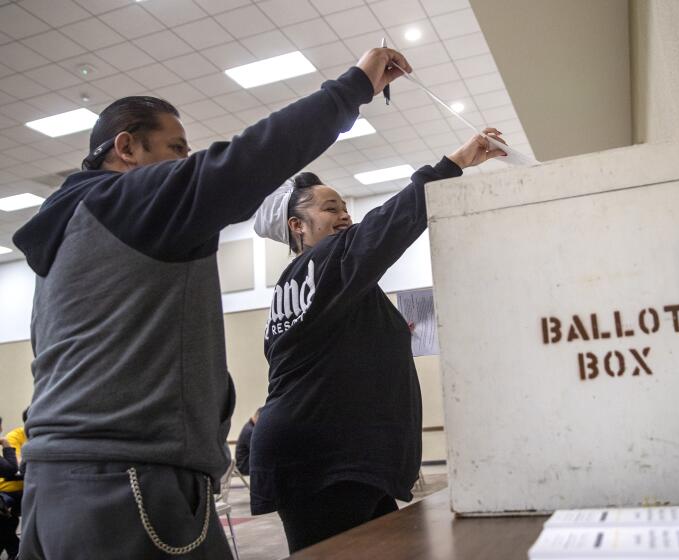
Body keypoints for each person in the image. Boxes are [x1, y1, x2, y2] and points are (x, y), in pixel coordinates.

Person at [11, 47, 413, 559]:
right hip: (129, 481)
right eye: (176, 149)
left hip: (52, 484)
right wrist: (354, 87)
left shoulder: (64, 237)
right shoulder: (128, 199)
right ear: (127, 147)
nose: (184, 163)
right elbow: (248, 159)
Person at [249, 128, 506, 552]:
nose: (346, 216)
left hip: (327, 453)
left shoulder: (298, 283)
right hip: (324, 458)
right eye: (332, 208)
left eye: (346, 207)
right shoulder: (325, 263)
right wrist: (454, 164)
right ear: (298, 226)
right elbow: (387, 227)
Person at [0, 417, 22, 559]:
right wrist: (6, 444)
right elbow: (11, 469)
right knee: (6, 518)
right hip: (8, 489)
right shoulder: (15, 435)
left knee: (8, 518)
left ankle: (16, 553)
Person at [235, 408, 261, 476]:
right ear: (257, 418)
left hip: (243, 463)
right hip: (244, 465)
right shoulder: (250, 431)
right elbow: (257, 450)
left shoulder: (249, 427)